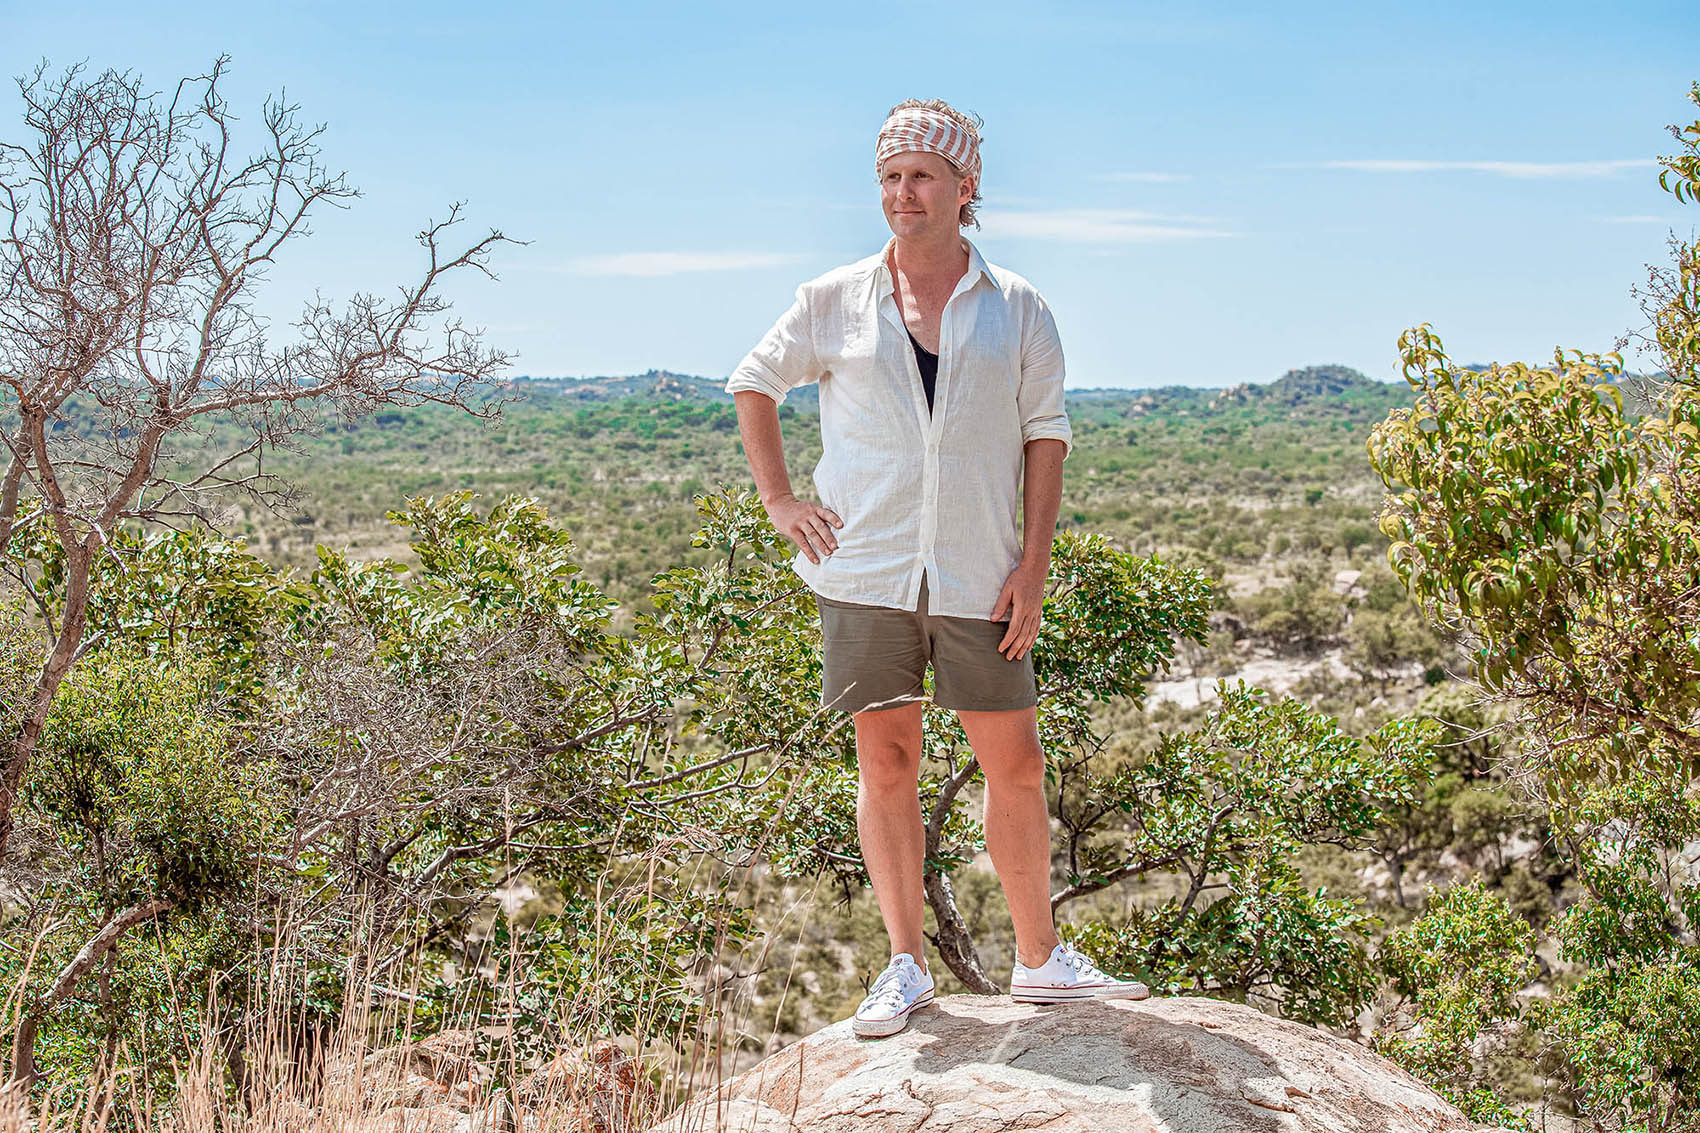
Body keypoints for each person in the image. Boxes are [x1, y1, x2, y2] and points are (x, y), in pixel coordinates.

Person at [725, 99, 1148, 1039]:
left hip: (978, 571)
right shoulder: (832, 298)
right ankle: (905, 967)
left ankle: (1040, 963)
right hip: (864, 570)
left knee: (1019, 767)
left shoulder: (1018, 306)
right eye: (888, 177)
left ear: (966, 188)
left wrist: (1033, 567)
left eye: (920, 176)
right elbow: (753, 381)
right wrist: (781, 503)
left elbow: (1047, 437)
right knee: (887, 764)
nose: (901, 194)